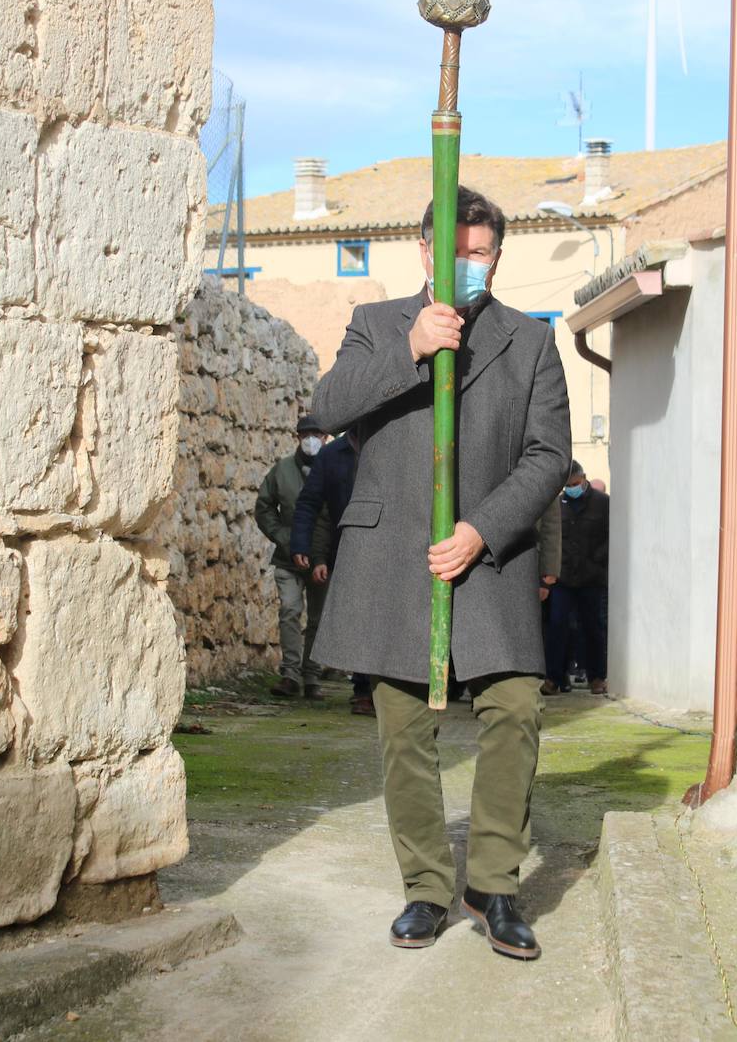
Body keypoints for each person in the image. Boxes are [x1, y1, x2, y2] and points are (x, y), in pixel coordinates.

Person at [309, 186, 571, 960]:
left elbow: (548, 454)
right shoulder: (376, 325)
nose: (467, 264)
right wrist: (413, 348)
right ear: (426, 250)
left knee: (516, 710)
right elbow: (329, 408)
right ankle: (425, 888)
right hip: (394, 559)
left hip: (489, 555)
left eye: (482, 254)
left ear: (497, 258)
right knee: (403, 733)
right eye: (455, 251)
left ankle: (493, 882)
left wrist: (482, 528)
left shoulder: (529, 341)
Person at [290, 430, 375, 716]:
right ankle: (363, 689)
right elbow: (310, 503)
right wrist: (304, 546)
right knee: (361, 619)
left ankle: (382, 687)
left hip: (388, 546)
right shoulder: (330, 455)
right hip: (347, 549)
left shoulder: (390, 443)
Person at [254, 415, 331, 700]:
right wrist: (284, 538)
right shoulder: (282, 471)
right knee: (289, 611)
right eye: (306, 434)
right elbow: (264, 507)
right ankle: (290, 674)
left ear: (326, 437)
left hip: (321, 559)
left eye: (318, 434)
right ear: (298, 437)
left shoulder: (332, 467)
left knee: (317, 619)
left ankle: (312, 676)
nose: (312, 440)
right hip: (287, 558)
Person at [542, 463, 610, 697]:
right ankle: (554, 678)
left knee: (593, 628)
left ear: (584, 478)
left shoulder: (603, 504)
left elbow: (611, 536)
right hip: (563, 578)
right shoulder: (557, 506)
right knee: (558, 628)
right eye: (568, 485)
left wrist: (599, 561)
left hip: (592, 578)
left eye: (575, 483)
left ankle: (597, 677)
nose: (572, 488)